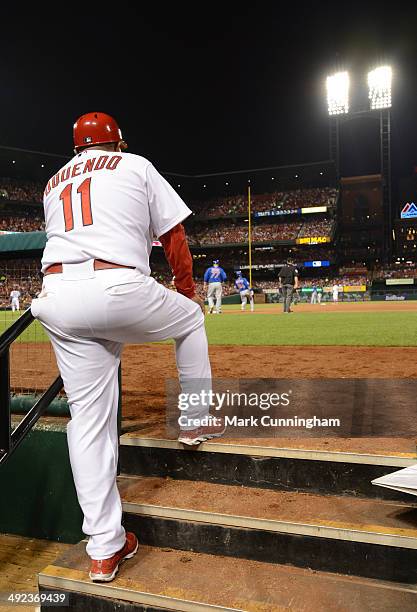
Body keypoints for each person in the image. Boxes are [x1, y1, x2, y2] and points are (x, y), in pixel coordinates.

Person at [31, 112, 224, 583]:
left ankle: (104, 548)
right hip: (117, 286)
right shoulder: (134, 164)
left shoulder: (54, 182)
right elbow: (173, 235)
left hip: (56, 296)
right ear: (116, 142)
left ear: (77, 149)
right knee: (191, 320)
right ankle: (196, 421)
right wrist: (185, 289)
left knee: (89, 422)